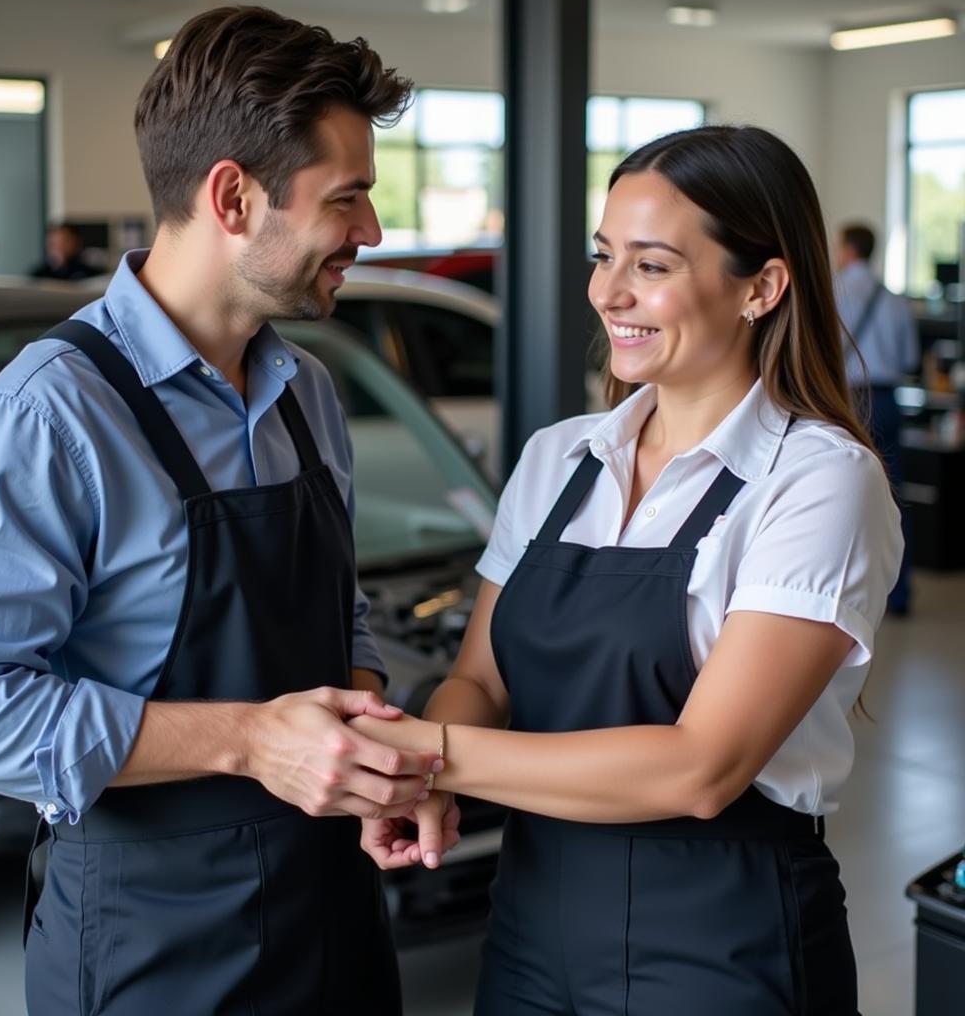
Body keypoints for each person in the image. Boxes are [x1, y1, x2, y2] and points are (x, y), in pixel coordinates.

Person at [0, 6, 439, 1016]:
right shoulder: (49, 420)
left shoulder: (307, 393)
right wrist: (252, 740)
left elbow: (334, 615)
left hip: (333, 912)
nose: (371, 234)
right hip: (150, 943)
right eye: (348, 199)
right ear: (233, 196)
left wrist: (366, 757)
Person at [351, 126, 903, 1015]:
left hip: (722, 942)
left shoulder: (818, 481)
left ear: (761, 287)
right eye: (604, 255)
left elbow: (701, 767)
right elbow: (481, 678)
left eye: (651, 265)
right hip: (531, 927)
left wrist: (424, 751)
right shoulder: (559, 457)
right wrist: (418, 788)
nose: (607, 291)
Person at [836, 221, 918, 615]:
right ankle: (899, 594)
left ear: (849, 250)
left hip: (848, 400)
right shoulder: (895, 299)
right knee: (894, 495)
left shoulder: (836, 290)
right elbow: (909, 359)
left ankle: (850, 596)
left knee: (842, 494)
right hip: (888, 399)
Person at [30, 221, 102, 280]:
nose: (59, 247)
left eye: (64, 242)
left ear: (76, 242)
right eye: (54, 243)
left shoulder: (91, 274)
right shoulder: (37, 276)